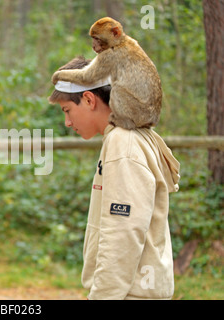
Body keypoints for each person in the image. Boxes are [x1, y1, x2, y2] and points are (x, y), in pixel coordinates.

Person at [48, 57, 180, 300]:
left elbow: (123, 233)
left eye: (67, 110)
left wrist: (103, 296)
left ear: (88, 99)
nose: (67, 122)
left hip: (130, 294)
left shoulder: (123, 142)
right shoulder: (126, 136)